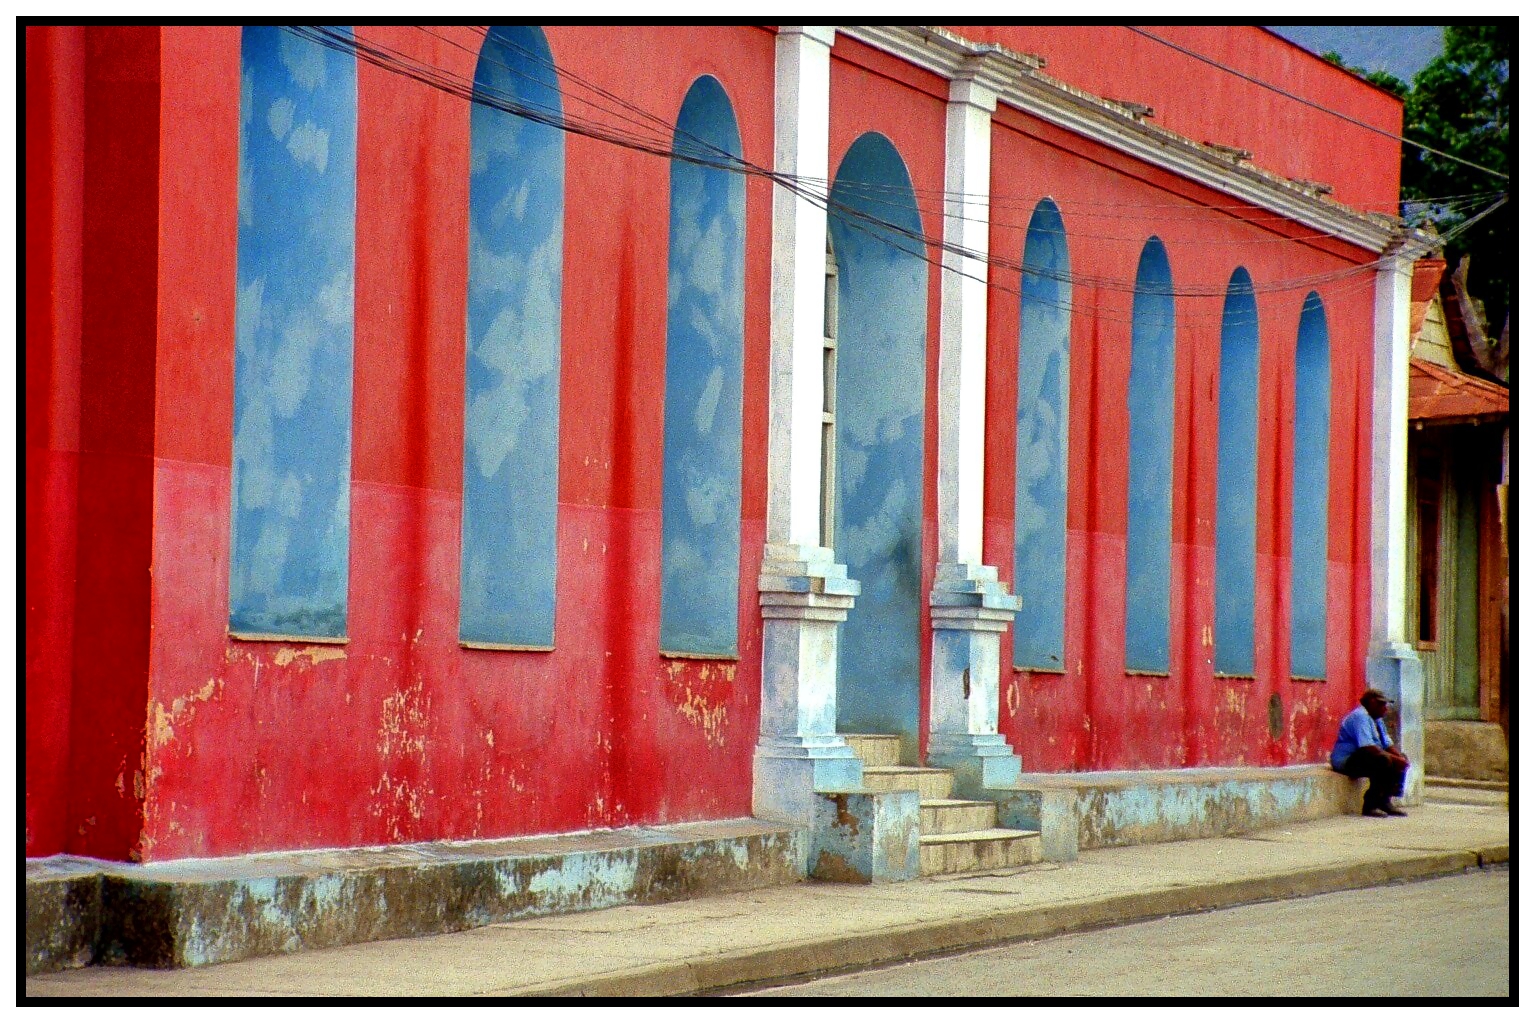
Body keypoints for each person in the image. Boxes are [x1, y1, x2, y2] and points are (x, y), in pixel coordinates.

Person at [1330, 689, 1409, 817]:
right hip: (1346, 760)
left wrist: (1400, 759)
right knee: (1382, 760)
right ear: (1372, 703)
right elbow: (1368, 747)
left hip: (1363, 757)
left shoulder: (1377, 720)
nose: (1385, 708)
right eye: (1382, 705)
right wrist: (1395, 759)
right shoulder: (1360, 717)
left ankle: (1385, 801)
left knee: (1398, 758)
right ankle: (1370, 805)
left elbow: (1387, 744)